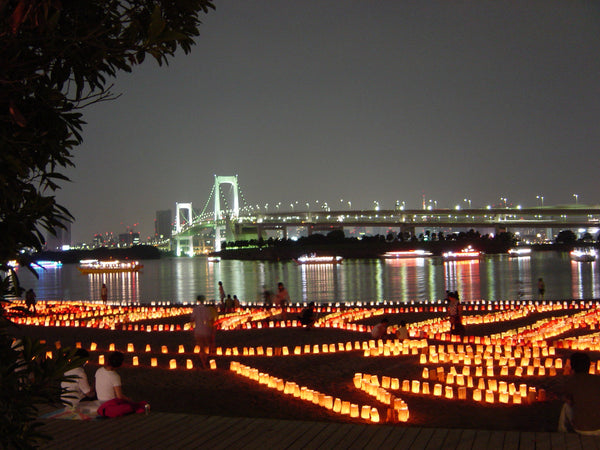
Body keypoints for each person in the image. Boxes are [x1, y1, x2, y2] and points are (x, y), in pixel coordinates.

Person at [95, 351, 149, 417]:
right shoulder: (114, 376)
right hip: (110, 403)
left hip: (100, 400)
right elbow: (119, 396)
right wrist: (129, 399)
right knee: (131, 406)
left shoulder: (99, 370)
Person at [559, 352, 600, 434]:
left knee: (566, 406)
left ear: (572, 367)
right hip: (599, 428)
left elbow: (566, 399)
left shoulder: (571, 381)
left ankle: (562, 432)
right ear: (589, 366)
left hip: (581, 428)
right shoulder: (597, 380)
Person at [190, 295, 214, 368]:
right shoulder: (206, 310)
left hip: (198, 331)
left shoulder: (195, 309)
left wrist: (192, 325)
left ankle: (203, 361)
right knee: (206, 346)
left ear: (198, 301)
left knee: (201, 347)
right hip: (206, 330)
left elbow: (192, 319)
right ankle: (205, 360)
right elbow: (211, 320)